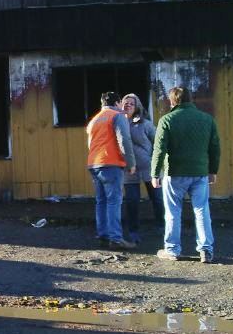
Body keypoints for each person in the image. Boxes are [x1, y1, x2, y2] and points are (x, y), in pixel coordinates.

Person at [151, 86, 221, 263]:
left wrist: (154, 173)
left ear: (172, 100)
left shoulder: (166, 120)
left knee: (173, 212)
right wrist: (213, 170)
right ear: (191, 99)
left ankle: (172, 250)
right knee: (201, 210)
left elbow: (159, 149)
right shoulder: (207, 119)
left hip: (175, 172)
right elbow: (215, 148)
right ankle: (206, 250)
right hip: (199, 172)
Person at [86, 91, 136, 250]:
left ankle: (103, 235)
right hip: (111, 163)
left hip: (94, 163)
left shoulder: (94, 120)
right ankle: (116, 238)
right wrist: (130, 162)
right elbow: (124, 140)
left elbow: (90, 144)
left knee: (101, 201)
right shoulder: (117, 115)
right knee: (114, 201)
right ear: (117, 103)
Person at [121, 93, 162, 243]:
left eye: (131, 103)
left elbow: (158, 141)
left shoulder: (145, 124)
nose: (128, 106)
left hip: (149, 168)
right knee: (132, 201)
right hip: (128, 169)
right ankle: (133, 231)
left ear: (137, 106)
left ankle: (162, 226)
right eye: (125, 103)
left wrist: (155, 161)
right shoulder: (118, 123)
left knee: (157, 199)